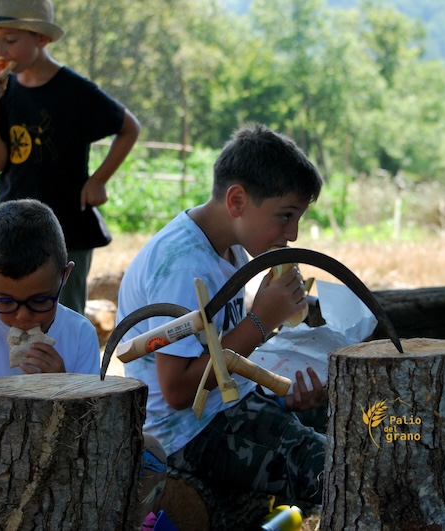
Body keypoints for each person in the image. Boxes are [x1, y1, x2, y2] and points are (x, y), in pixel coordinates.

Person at [116, 123, 327, 505]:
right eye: (285, 216)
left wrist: (279, 394)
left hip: (227, 403)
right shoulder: (183, 266)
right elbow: (177, 391)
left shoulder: (229, 247)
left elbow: (221, 345)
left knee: (340, 413)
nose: (294, 233)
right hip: (186, 433)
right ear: (237, 201)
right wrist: (260, 322)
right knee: (331, 465)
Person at [0, 199, 165, 522]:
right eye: (4, 301)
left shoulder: (79, 333)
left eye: (39, 301)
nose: (22, 317)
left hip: (63, 471)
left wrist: (63, 386)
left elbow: (91, 426)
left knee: (151, 452)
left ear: (65, 276)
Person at [0, 0, 141, 315]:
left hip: (67, 227)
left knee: (64, 313)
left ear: (42, 38)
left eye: (10, 40)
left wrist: (98, 180)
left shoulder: (75, 91)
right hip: (12, 225)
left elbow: (129, 128)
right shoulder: (2, 90)